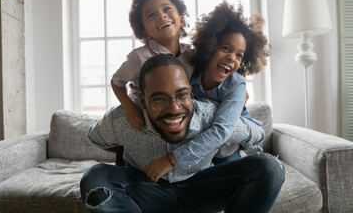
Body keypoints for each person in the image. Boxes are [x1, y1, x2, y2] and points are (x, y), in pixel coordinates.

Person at [80, 54, 285, 213]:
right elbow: (95, 137)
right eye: (159, 99)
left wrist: (235, 114)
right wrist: (126, 149)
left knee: (270, 167)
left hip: (202, 187)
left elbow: (257, 134)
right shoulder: (121, 120)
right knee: (95, 176)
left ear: (190, 92)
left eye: (181, 95)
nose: (174, 109)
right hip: (148, 189)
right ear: (142, 101)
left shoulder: (210, 116)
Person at [144, 1, 270, 180]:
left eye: (239, 55)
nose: (231, 58)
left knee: (225, 189)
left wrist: (171, 159)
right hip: (202, 148)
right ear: (210, 46)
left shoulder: (236, 85)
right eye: (225, 48)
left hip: (228, 148)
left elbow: (221, 131)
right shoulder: (190, 74)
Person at [111, 0, 194, 130]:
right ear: (145, 33)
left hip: (178, 117)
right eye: (151, 15)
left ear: (181, 20)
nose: (162, 15)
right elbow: (116, 82)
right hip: (146, 119)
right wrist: (130, 109)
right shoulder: (139, 57)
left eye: (167, 9)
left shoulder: (192, 54)